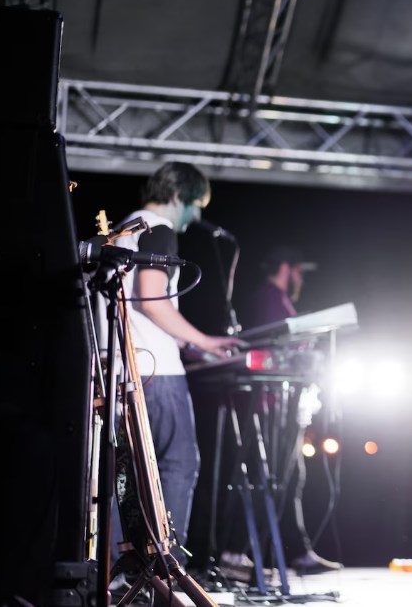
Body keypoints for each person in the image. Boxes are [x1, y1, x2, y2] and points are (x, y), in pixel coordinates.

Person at [107, 162, 243, 580]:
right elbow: (151, 299)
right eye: (194, 205)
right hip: (158, 374)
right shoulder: (158, 228)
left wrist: (187, 344)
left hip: (124, 370)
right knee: (180, 464)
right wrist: (205, 341)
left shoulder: (125, 227)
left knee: (125, 477)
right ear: (176, 197)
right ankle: (167, 571)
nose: (195, 217)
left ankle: (117, 570)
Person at [238, 245, 342, 575]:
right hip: (271, 403)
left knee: (291, 475)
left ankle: (297, 551)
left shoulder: (275, 299)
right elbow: (274, 347)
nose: (301, 279)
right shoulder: (270, 298)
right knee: (268, 478)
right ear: (286, 267)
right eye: (299, 271)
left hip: (282, 403)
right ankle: (235, 552)